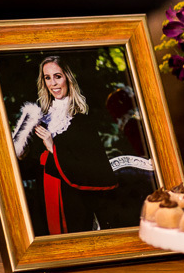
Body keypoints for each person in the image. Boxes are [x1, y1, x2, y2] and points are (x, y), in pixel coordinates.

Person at [12, 55, 117, 235]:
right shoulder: (41, 120)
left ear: (67, 77)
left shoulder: (81, 120)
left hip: (73, 203)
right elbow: (36, 168)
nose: (53, 83)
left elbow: (93, 169)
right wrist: (21, 156)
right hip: (44, 199)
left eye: (57, 76)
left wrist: (53, 147)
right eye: (47, 78)